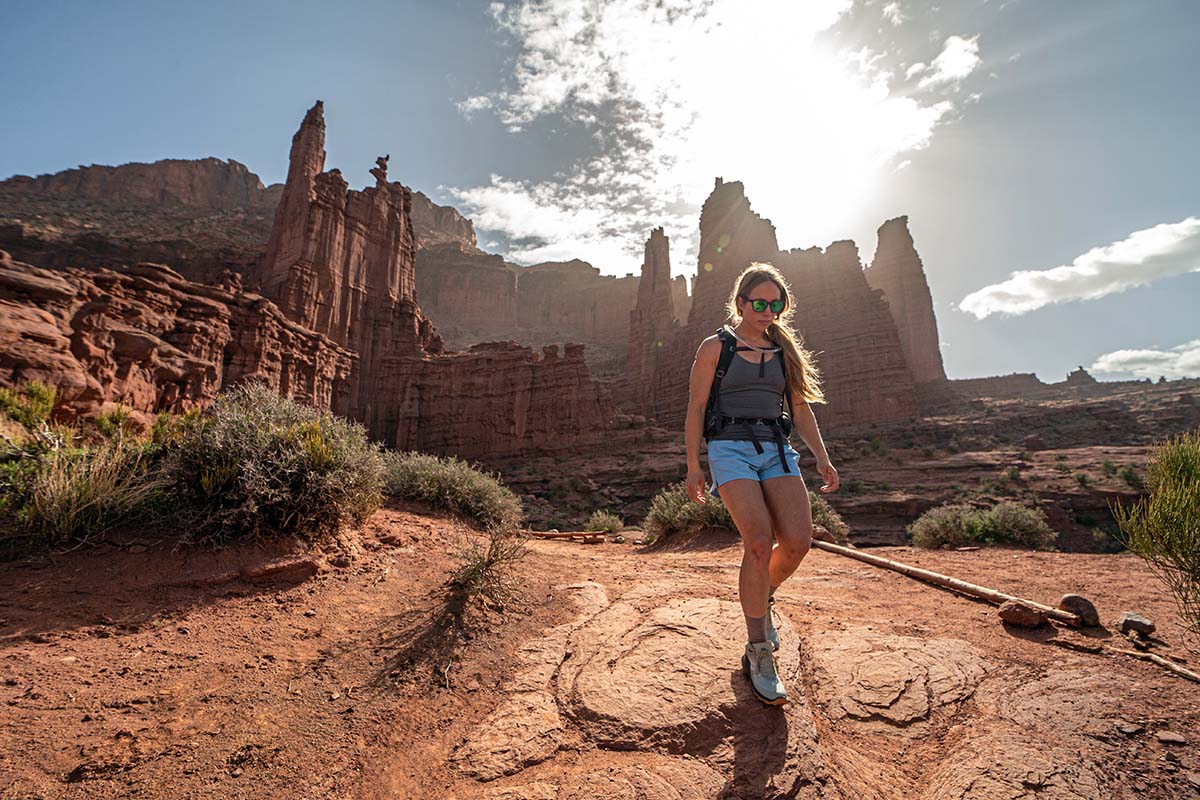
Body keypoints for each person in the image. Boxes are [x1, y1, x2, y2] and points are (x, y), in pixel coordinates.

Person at [684, 263, 839, 706]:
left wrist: (821, 458)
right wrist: (694, 465)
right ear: (740, 303)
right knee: (758, 542)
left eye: (776, 304)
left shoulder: (783, 349)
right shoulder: (716, 347)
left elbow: (801, 409)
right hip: (729, 448)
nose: (768, 310)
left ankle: (762, 593)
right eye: (760, 303)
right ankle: (757, 650)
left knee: (797, 543)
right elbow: (696, 408)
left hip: (775, 446)